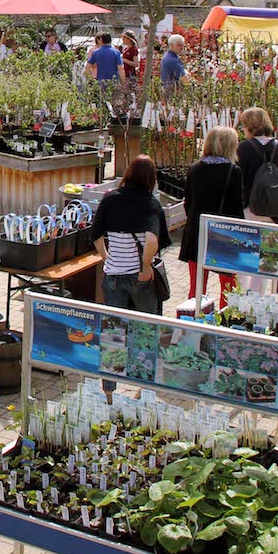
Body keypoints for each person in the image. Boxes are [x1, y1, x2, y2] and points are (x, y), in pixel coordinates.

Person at [90, 155, 171, 403]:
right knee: (145, 331)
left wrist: (107, 258)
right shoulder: (150, 203)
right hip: (139, 278)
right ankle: (144, 387)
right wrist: (145, 266)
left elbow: (95, 235)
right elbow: (152, 239)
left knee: (113, 333)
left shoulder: (110, 198)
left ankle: (109, 391)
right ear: (151, 179)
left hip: (113, 275)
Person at [179, 126, 245, 308]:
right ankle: (224, 322)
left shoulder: (194, 169)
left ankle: (193, 320)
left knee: (196, 287)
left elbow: (188, 203)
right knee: (228, 285)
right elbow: (236, 209)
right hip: (224, 234)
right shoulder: (234, 172)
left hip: (196, 232)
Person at [237, 107, 278, 223]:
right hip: (273, 209)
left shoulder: (243, 148)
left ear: (249, 126)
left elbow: (237, 180)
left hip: (248, 210)